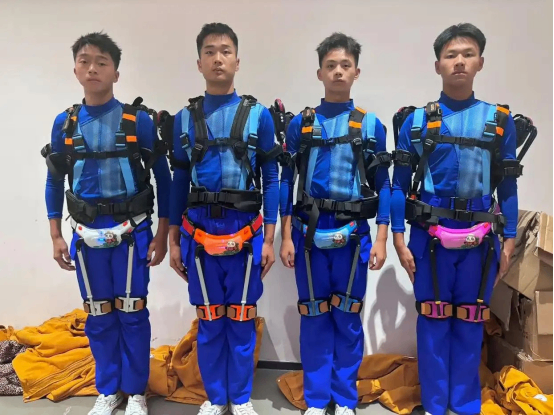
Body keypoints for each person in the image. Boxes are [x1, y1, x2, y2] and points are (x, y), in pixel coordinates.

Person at [390, 23, 519, 415]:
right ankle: (434, 405)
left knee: (470, 320)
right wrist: (397, 237)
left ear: (480, 62)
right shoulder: (415, 122)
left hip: (481, 241)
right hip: (428, 238)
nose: (459, 61)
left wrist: (510, 240)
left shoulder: (500, 121)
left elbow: (507, 186)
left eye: (467, 54)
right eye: (450, 55)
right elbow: (398, 186)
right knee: (432, 319)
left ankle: (465, 405)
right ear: (437, 65)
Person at [43, 32, 171, 415]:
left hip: (133, 232)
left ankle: (135, 392)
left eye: (102, 62)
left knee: (132, 311)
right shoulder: (64, 125)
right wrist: (55, 234)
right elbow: (54, 181)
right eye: (85, 61)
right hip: (85, 235)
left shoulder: (139, 121)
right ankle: (108, 389)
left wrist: (163, 235)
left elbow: (164, 179)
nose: (93, 68)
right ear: (75, 70)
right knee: (98, 314)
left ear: (116, 72)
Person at [166, 23, 279, 415]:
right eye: (210, 51)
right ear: (199, 63)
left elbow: (271, 178)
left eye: (225, 51)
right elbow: (178, 180)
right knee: (210, 318)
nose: (218, 58)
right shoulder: (183, 119)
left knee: (242, 317)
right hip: (198, 231)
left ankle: (241, 398)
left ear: (237, 61)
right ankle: (216, 398)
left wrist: (270, 238)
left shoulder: (259, 116)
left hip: (245, 231)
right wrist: (173, 239)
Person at [279, 33, 391, 415]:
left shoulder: (372, 126)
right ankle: (315, 400)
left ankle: (344, 400)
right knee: (313, 317)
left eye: (345, 65)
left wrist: (382, 238)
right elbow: (286, 182)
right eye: (331, 65)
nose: (338, 71)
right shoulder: (300, 125)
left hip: (354, 236)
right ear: (319, 73)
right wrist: (284, 236)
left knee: (347, 316)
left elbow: (385, 185)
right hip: (307, 234)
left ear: (357, 72)